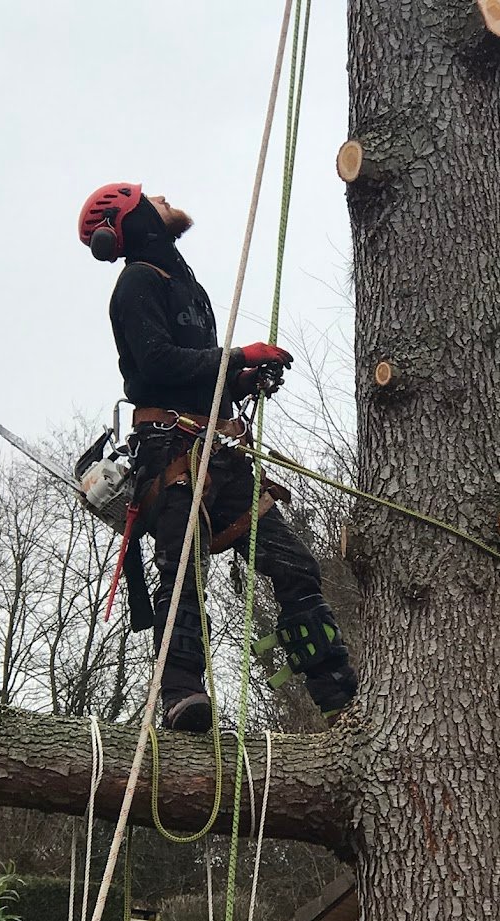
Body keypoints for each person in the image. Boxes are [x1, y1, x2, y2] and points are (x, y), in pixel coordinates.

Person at [78, 182, 357, 732]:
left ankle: (340, 698)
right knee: (184, 564)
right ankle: (182, 695)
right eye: (151, 198)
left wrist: (241, 377)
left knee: (295, 564)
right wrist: (235, 355)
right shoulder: (136, 281)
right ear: (130, 220)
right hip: (172, 452)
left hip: (220, 453)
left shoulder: (186, 286)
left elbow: (198, 370)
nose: (163, 196)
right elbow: (155, 364)